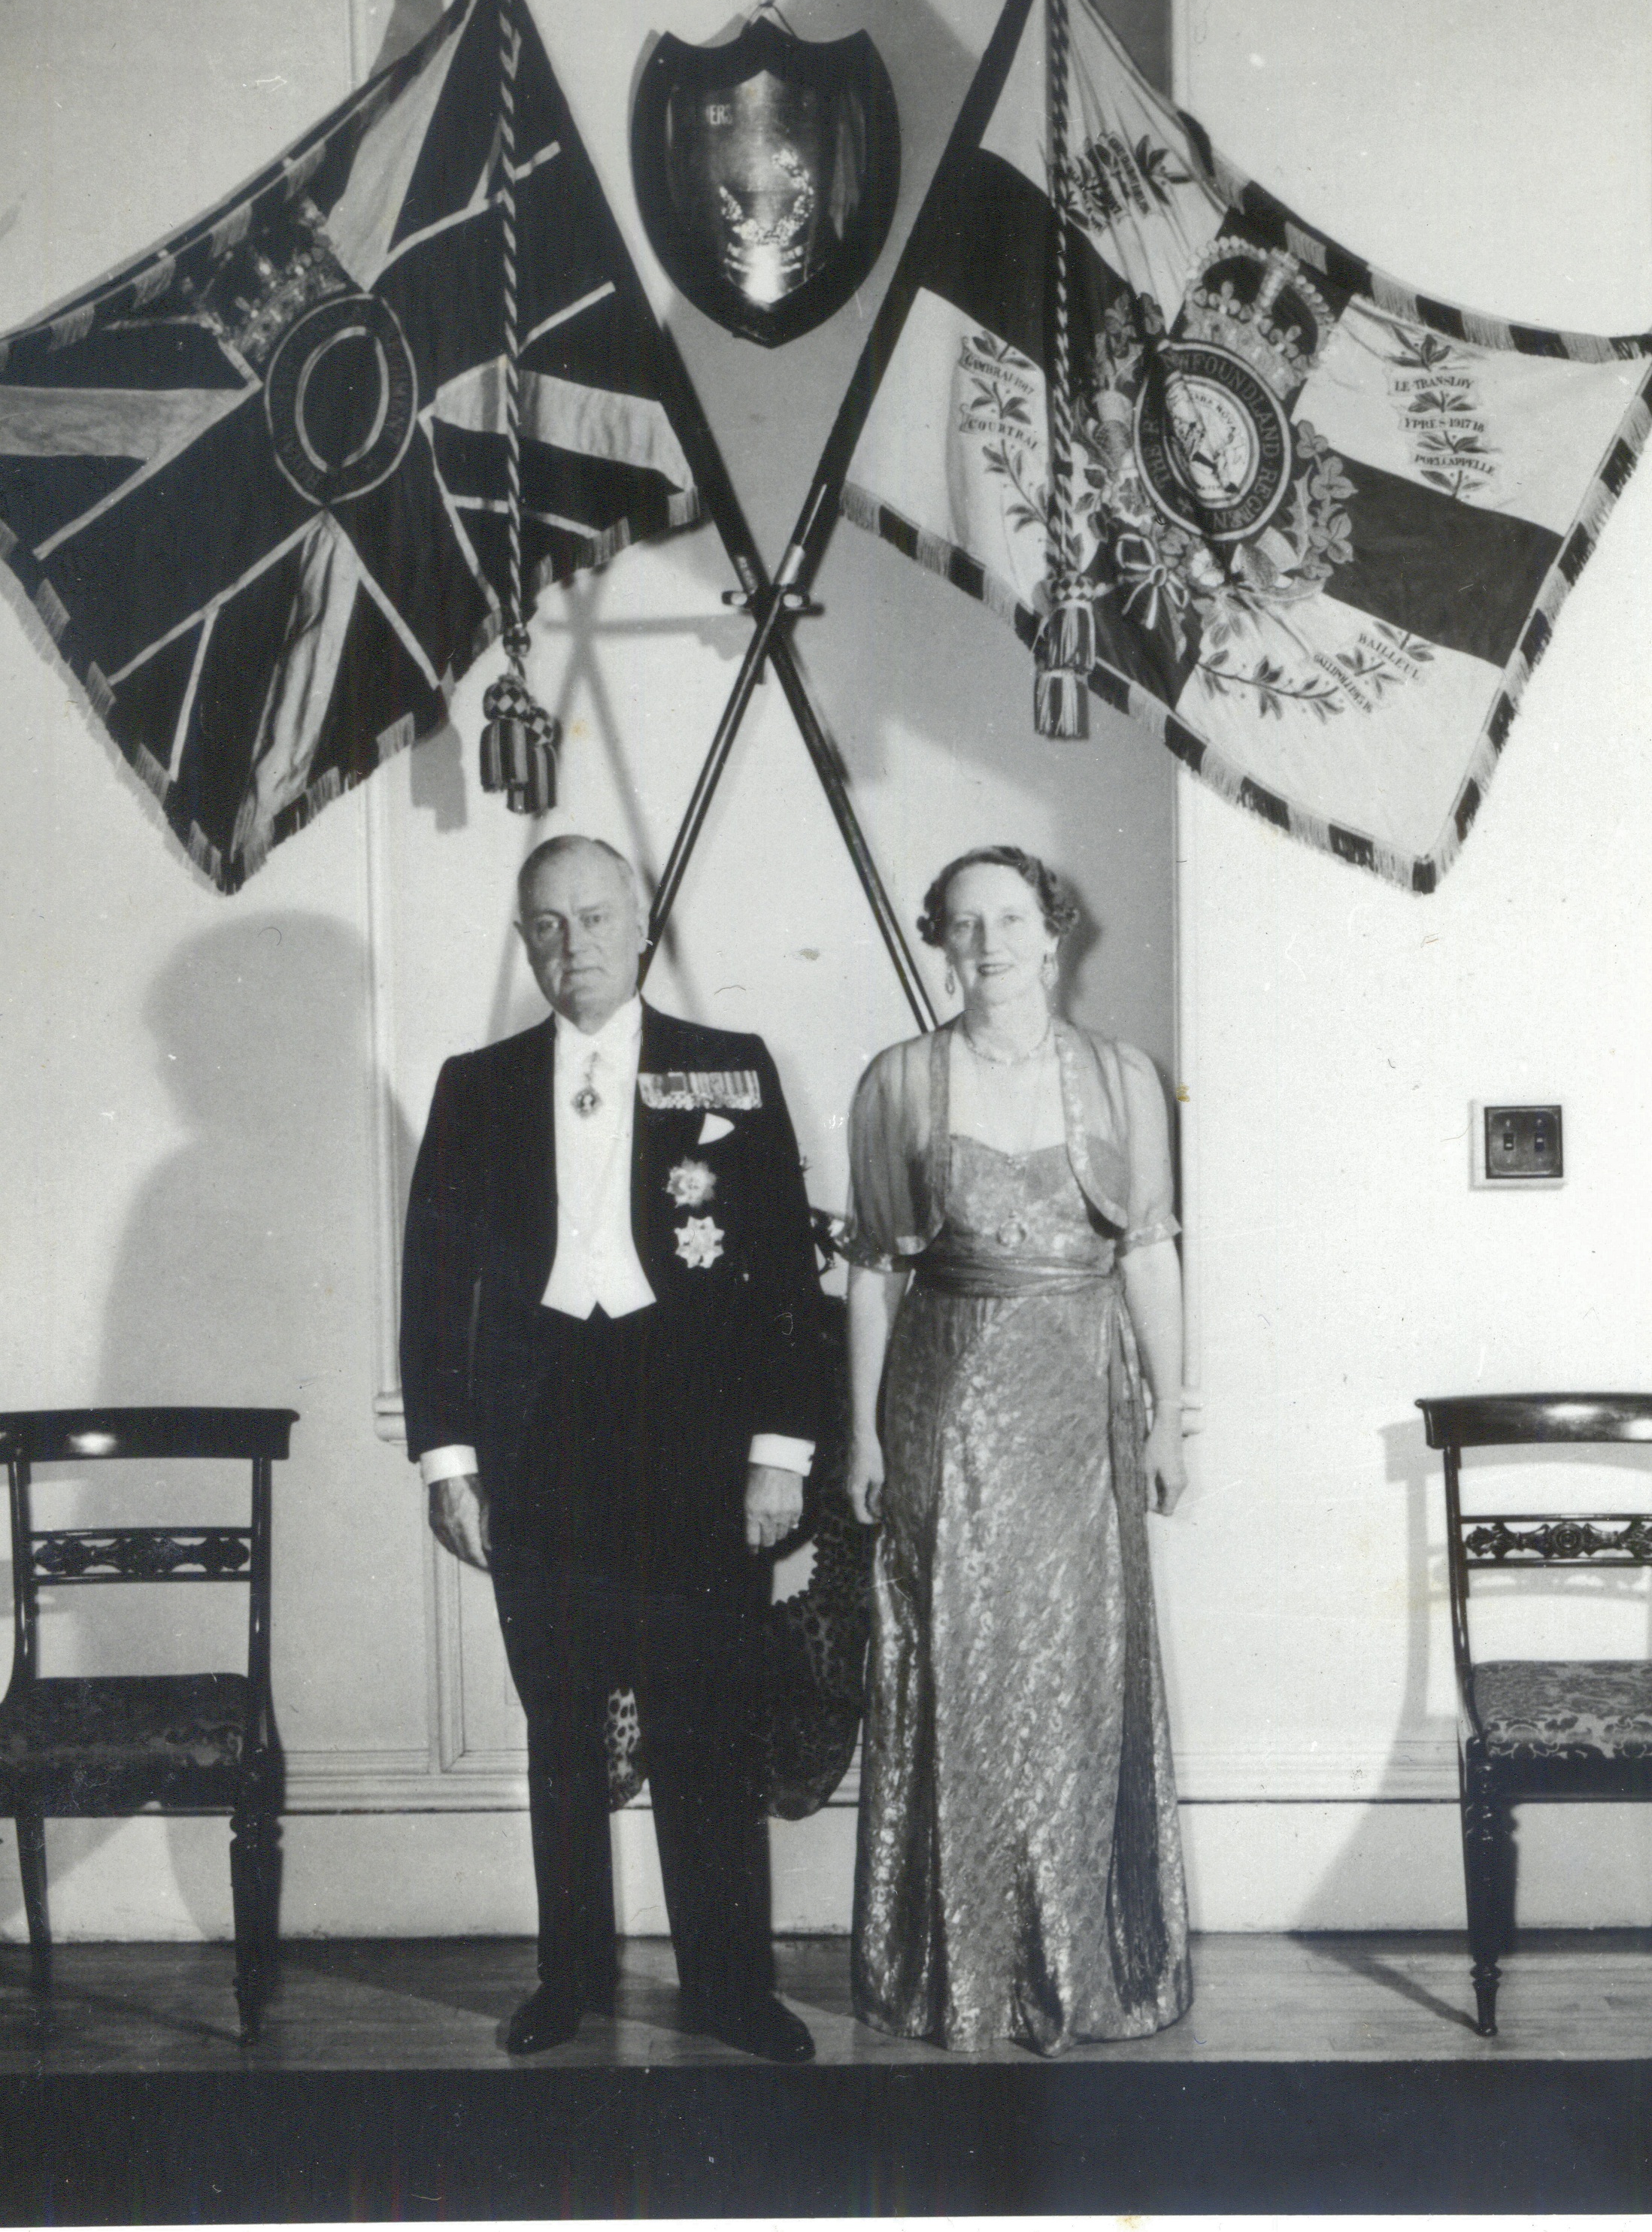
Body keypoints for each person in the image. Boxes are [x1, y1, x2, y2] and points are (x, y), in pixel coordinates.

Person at [400, 835, 823, 2063]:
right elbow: (434, 1291)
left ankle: (731, 1989)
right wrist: (446, 1461)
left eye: (593, 918)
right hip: (540, 1446)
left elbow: (785, 1280)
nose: (570, 946)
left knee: (705, 1727)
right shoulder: (474, 1084)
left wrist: (779, 1452)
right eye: (544, 925)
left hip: (693, 1441)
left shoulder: (725, 1070)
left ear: (641, 926)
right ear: (522, 938)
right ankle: (569, 1980)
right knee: (563, 1734)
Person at [841, 845, 1192, 2055]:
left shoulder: (1119, 1076)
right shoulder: (899, 1081)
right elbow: (875, 1273)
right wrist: (864, 1434)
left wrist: (1169, 1412)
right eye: (960, 923)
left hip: (1078, 1404)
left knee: (1076, 1672)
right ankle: (956, 1972)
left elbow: (1146, 1248)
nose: (985, 942)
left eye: (1008, 919)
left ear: (1053, 933)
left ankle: (1078, 1965)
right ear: (941, 941)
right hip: (943, 1408)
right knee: (954, 1666)